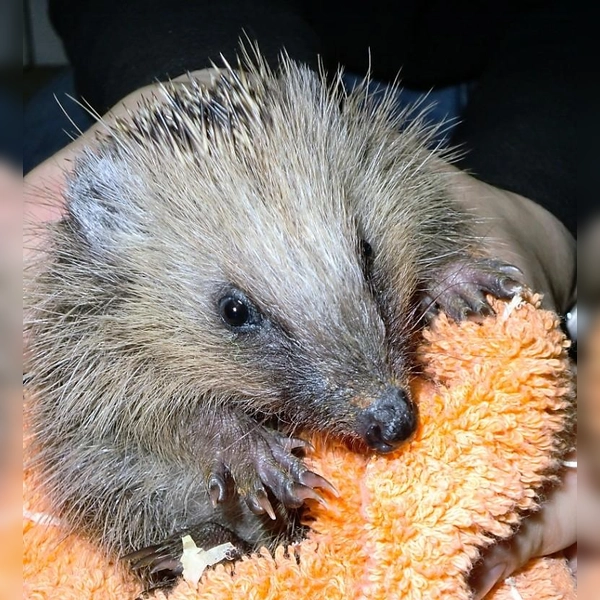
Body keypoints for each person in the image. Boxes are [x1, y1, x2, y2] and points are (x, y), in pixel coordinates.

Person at [25, 1, 582, 597]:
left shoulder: (373, 166)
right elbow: (111, 426)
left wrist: (522, 212)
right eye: (239, 315)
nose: (385, 414)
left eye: (364, 258)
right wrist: (225, 440)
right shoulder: (111, 311)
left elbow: (424, 218)